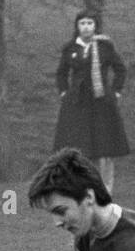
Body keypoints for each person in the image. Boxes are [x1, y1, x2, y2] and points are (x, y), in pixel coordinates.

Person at [53, 11, 129, 193]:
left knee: (104, 148)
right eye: (82, 23)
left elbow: (120, 69)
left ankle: (105, 189)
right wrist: (64, 92)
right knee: (79, 147)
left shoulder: (105, 47)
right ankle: (83, 187)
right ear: (77, 26)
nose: (86, 27)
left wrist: (116, 91)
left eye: (89, 23)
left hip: (102, 103)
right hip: (77, 104)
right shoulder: (70, 48)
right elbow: (61, 73)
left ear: (95, 26)